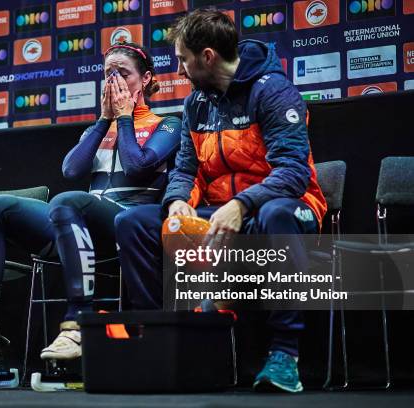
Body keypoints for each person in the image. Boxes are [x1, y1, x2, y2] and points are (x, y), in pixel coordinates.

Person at [114, 10, 327, 393]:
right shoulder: (197, 103)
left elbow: (294, 173)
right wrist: (177, 201)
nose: (179, 70)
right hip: (220, 213)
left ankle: (284, 356)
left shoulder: (273, 92)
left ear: (207, 56)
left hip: (287, 206)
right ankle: (161, 337)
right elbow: (185, 170)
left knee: (277, 213)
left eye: (183, 59)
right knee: (133, 223)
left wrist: (243, 204)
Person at [0, 42, 181, 362]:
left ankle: (77, 321)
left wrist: (124, 118)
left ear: (147, 79)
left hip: (127, 225)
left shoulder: (168, 124)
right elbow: (71, 170)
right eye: (108, 74)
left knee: (68, 201)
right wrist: (103, 121)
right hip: (78, 222)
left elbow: (138, 166)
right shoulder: (100, 129)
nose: (114, 82)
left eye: (123, 73)